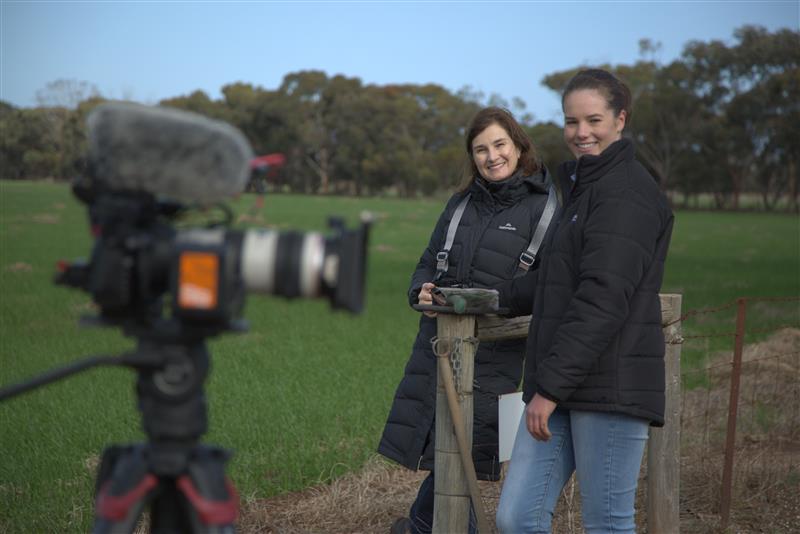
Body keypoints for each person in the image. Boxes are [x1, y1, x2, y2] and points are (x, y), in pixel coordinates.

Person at [494, 68, 674, 533]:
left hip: (608, 389)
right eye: (571, 122)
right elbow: (556, 279)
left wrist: (548, 390)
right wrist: (485, 297)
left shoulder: (627, 195)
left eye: (593, 120)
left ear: (620, 119)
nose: (581, 133)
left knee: (607, 524)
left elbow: (602, 299)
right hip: (562, 383)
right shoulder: (584, 188)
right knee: (517, 518)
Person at [378, 107, 554, 534]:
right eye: (480, 149)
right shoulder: (460, 205)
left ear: (517, 145)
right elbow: (426, 264)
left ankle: (420, 527)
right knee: (445, 452)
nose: (491, 156)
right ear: (471, 156)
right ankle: (423, 526)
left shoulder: (546, 210)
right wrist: (418, 290)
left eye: (499, 145)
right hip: (436, 348)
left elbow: (550, 288)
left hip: (495, 357)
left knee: (461, 450)